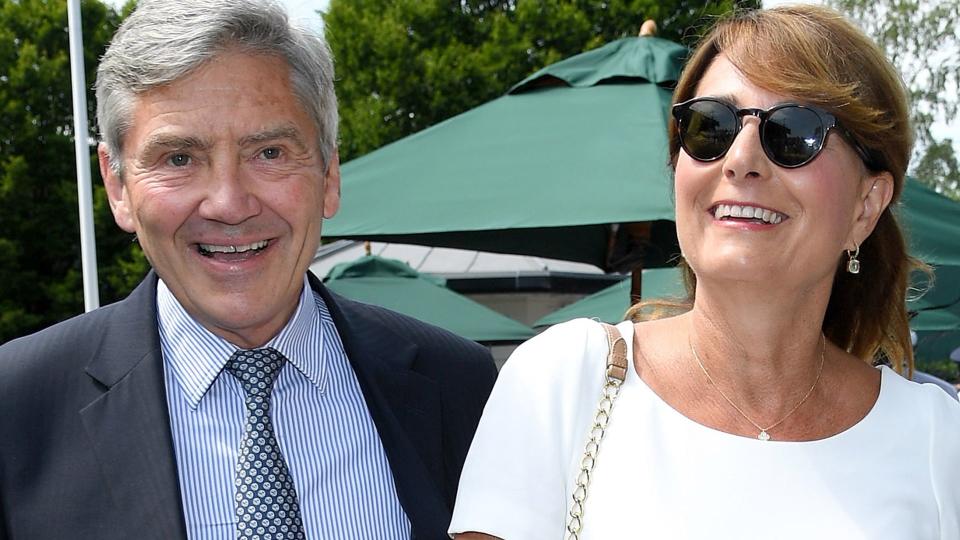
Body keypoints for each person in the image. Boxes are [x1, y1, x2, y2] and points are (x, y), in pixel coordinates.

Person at [450, 6, 960, 539]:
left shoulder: (935, 441)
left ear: (866, 205)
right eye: (710, 125)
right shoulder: (562, 381)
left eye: (792, 131)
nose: (740, 159)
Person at [0, 1, 496, 538]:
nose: (229, 203)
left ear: (328, 175)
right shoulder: (16, 409)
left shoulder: (461, 387)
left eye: (269, 152)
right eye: (179, 159)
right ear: (118, 186)